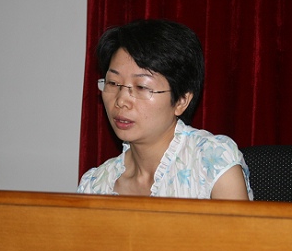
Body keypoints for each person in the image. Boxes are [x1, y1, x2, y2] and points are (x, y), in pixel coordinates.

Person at [77, 19, 254, 200]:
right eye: (113, 83)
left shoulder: (213, 163)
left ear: (181, 101)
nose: (121, 100)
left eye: (142, 87)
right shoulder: (96, 186)